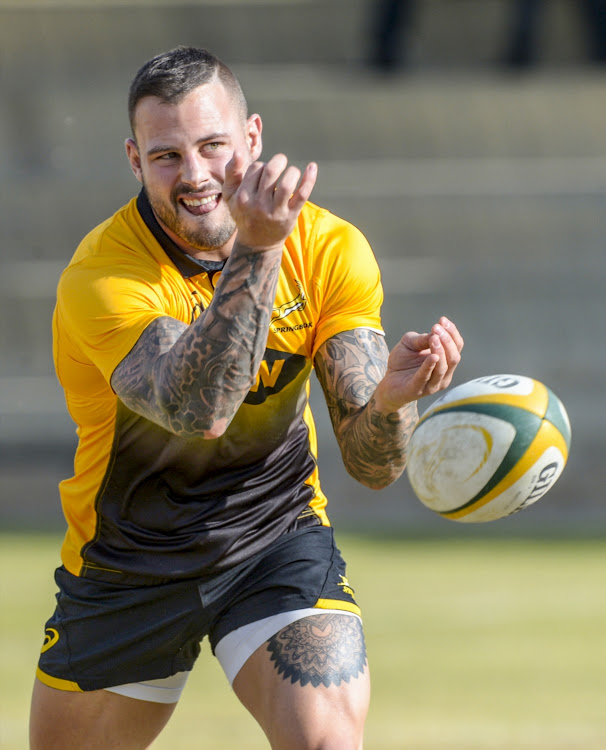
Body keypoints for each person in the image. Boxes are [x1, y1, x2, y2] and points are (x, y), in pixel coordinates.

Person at [29, 46, 463, 750]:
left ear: (253, 139)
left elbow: (374, 466)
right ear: (134, 161)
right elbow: (200, 412)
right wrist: (258, 248)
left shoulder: (330, 249)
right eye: (167, 156)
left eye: (212, 147)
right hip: (129, 562)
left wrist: (388, 403)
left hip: (274, 539)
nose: (196, 176)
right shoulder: (103, 276)